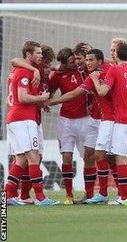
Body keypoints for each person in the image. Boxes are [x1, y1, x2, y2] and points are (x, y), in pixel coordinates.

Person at [90, 42, 127, 205]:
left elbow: (102, 92)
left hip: (123, 121)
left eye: (114, 52)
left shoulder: (115, 70)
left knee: (120, 159)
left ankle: (123, 197)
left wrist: (95, 79)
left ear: (118, 55)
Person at [4, 41, 58, 206]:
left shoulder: (22, 70)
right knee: (33, 156)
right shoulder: (24, 72)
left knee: (21, 159)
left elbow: (10, 99)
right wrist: (41, 99)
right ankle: (41, 197)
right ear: (29, 54)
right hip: (23, 120)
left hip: (18, 118)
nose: (40, 57)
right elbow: (22, 97)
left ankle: (9, 194)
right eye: (38, 53)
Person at [48, 47, 96, 205]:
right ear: (63, 63)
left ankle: (89, 195)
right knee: (67, 156)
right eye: (71, 61)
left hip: (86, 119)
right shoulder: (57, 75)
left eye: (76, 59)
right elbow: (49, 91)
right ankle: (69, 195)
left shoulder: (84, 71)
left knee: (89, 156)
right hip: (66, 121)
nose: (75, 62)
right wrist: (45, 102)